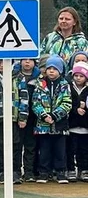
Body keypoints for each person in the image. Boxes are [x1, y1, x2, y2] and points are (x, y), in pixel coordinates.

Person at [32, 55, 72, 184]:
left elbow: (67, 102)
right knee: (44, 150)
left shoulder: (64, 84)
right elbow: (35, 102)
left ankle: (60, 172)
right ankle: (44, 172)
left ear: (60, 70)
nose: (51, 71)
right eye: (49, 68)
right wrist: (44, 115)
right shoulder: (40, 83)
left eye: (54, 69)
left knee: (60, 150)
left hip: (60, 125)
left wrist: (55, 116)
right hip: (43, 125)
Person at [12, 58, 40, 184]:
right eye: (25, 60)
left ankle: (29, 172)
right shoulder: (14, 75)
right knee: (16, 144)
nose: (27, 62)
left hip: (33, 117)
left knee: (30, 145)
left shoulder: (39, 77)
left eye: (30, 60)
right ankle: (16, 171)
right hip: (17, 116)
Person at [67, 62, 88, 181]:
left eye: (81, 76)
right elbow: (67, 102)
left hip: (85, 126)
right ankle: (70, 169)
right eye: (76, 75)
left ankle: (83, 169)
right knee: (71, 149)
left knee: (84, 150)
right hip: (72, 125)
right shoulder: (68, 87)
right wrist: (76, 109)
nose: (78, 78)